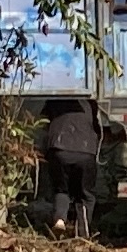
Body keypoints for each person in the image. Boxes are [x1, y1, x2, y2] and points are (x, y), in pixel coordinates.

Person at [39, 93, 102, 240]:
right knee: (85, 195)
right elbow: (98, 128)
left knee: (61, 189)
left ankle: (60, 220)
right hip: (85, 151)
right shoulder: (89, 102)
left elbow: (43, 123)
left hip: (58, 149)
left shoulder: (54, 98)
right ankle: (83, 234)